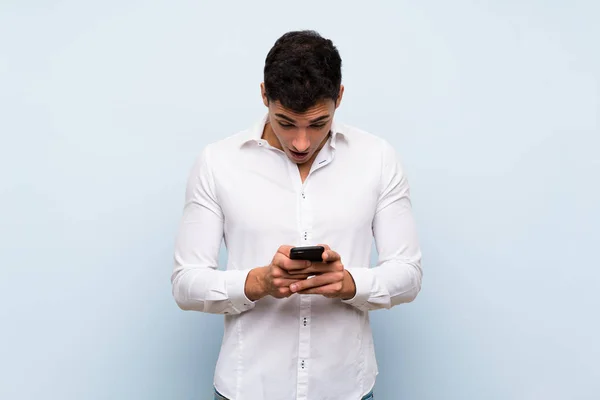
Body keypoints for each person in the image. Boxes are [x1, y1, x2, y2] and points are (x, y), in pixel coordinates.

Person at [171, 30, 423, 400]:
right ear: (264, 96)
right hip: (248, 390)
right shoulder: (217, 163)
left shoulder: (378, 159)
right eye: (286, 122)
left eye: (318, 123)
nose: (301, 143)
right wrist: (258, 283)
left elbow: (409, 274)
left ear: (339, 97)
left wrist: (349, 283)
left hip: (346, 389)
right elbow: (185, 284)